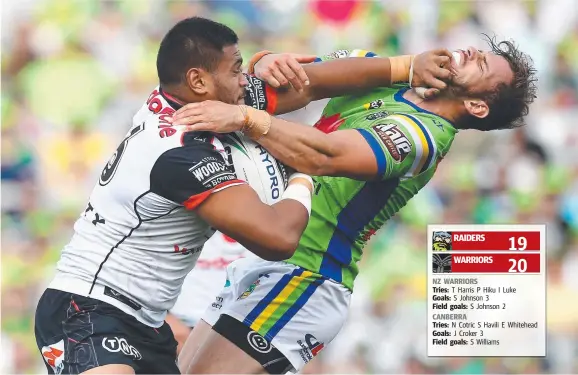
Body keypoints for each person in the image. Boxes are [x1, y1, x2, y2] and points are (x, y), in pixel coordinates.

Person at [34, 17, 453, 375]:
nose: (245, 80)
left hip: (146, 325)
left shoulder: (200, 105)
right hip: (86, 310)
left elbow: (307, 86)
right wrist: (306, 170)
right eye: (236, 70)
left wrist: (408, 66)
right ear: (199, 79)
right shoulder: (181, 154)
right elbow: (277, 237)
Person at [172, 36, 538, 374]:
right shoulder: (380, 69)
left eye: (483, 66)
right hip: (264, 257)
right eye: (481, 51)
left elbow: (323, 155)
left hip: (306, 276)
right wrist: (266, 62)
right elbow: (290, 80)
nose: (473, 53)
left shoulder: (425, 138)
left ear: (476, 105)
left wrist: (246, 118)